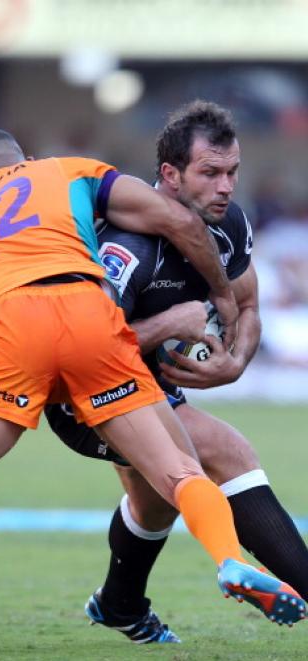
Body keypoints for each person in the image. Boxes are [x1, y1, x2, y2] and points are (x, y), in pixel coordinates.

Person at [0, 129, 305, 659]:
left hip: (12, 325)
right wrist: (218, 307)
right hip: (87, 315)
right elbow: (179, 222)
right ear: (26, 160)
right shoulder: (67, 170)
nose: (225, 186)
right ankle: (229, 559)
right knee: (183, 470)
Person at [44, 100, 308, 643]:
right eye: (209, 173)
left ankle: (118, 604)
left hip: (148, 389)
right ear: (169, 176)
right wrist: (169, 323)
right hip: (82, 396)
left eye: (232, 171)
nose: (226, 186)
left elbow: (250, 302)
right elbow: (78, 352)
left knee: (156, 499)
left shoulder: (228, 224)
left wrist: (236, 362)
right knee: (223, 452)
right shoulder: (126, 248)